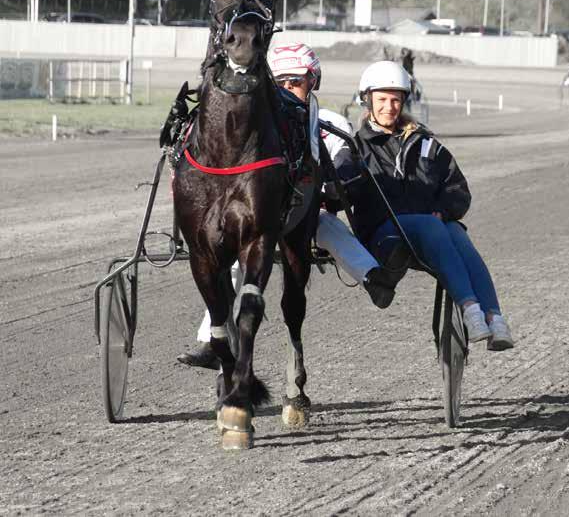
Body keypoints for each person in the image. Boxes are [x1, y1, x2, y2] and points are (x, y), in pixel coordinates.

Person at [177, 44, 397, 368]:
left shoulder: (329, 122)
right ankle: (212, 339)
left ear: (313, 82)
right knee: (235, 259)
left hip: (305, 212)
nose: (288, 91)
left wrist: (331, 185)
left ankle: (372, 277)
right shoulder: (258, 128)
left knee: (324, 226)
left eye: (295, 83)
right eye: (280, 84)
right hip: (255, 217)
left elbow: (344, 164)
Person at [337, 60, 514, 351]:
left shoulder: (427, 144)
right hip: (385, 237)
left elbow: (458, 189)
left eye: (396, 100)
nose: (389, 107)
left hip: (434, 236)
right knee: (433, 224)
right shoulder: (355, 149)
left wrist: (444, 210)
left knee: (457, 232)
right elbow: (342, 188)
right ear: (367, 100)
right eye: (382, 99)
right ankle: (471, 309)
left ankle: (495, 319)